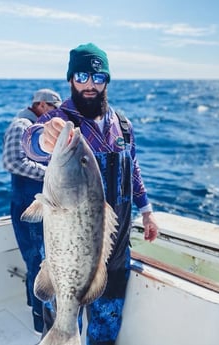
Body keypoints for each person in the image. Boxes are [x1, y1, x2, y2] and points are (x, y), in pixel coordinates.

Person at [22, 43, 158, 344]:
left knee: (106, 325)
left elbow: (133, 168)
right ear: (71, 79)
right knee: (58, 318)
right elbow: (29, 142)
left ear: (106, 81)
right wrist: (44, 138)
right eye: (82, 76)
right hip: (66, 247)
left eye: (98, 78)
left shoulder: (122, 125)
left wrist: (147, 211)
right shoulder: (59, 121)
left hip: (116, 244)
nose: (89, 85)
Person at [2, 88, 62, 334]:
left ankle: (34, 307)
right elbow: (12, 162)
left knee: (37, 261)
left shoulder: (39, 129)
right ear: (41, 105)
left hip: (39, 207)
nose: (56, 114)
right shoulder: (22, 125)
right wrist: (55, 174)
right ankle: (42, 326)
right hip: (28, 208)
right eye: (53, 108)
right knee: (39, 263)